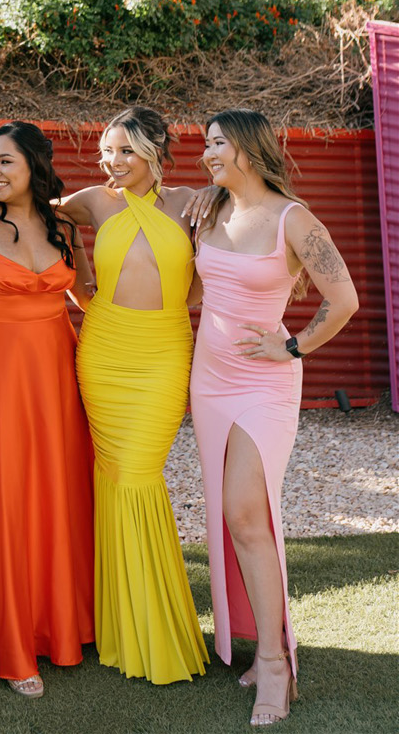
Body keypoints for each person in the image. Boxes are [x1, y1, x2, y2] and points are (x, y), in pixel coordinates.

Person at [192, 109, 359, 727]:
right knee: (226, 513)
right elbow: (134, 191)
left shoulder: (294, 218)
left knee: (246, 511)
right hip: (207, 382)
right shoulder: (209, 210)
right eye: (205, 143)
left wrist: (290, 347)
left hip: (264, 383)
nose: (207, 152)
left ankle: (274, 662)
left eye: (217, 143)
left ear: (248, 148)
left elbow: (343, 299)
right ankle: (257, 645)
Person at [0, 121, 95, 698]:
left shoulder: (62, 223)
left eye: (6, 161)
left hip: (57, 368)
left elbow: (86, 296)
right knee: (3, 493)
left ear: (33, 163)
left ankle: (63, 625)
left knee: (57, 488)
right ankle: (6, 638)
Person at [63, 107, 212, 684]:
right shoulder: (95, 202)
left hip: (164, 352)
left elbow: (211, 270)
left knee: (139, 474)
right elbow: (30, 206)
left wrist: (205, 191)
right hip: (103, 350)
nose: (112, 162)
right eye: (106, 151)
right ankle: (121, 623)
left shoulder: (192, 204)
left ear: (154, 152)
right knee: (114, 474)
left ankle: (152, 624)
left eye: (124, 151)